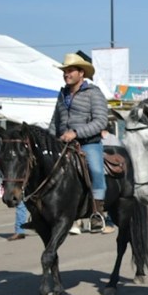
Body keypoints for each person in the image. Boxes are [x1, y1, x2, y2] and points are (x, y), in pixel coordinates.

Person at [48, 52, 109, 232]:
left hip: (88, 143)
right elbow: (54, 121)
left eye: (70, 70)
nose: (66, 74)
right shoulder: (62, 94)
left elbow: (101, 121)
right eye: (65, 71)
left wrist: (75, 133)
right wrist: (50, 140)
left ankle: (98, 213)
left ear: (81, 73)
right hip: (62, 144)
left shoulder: (93, 93)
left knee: (96, 171)